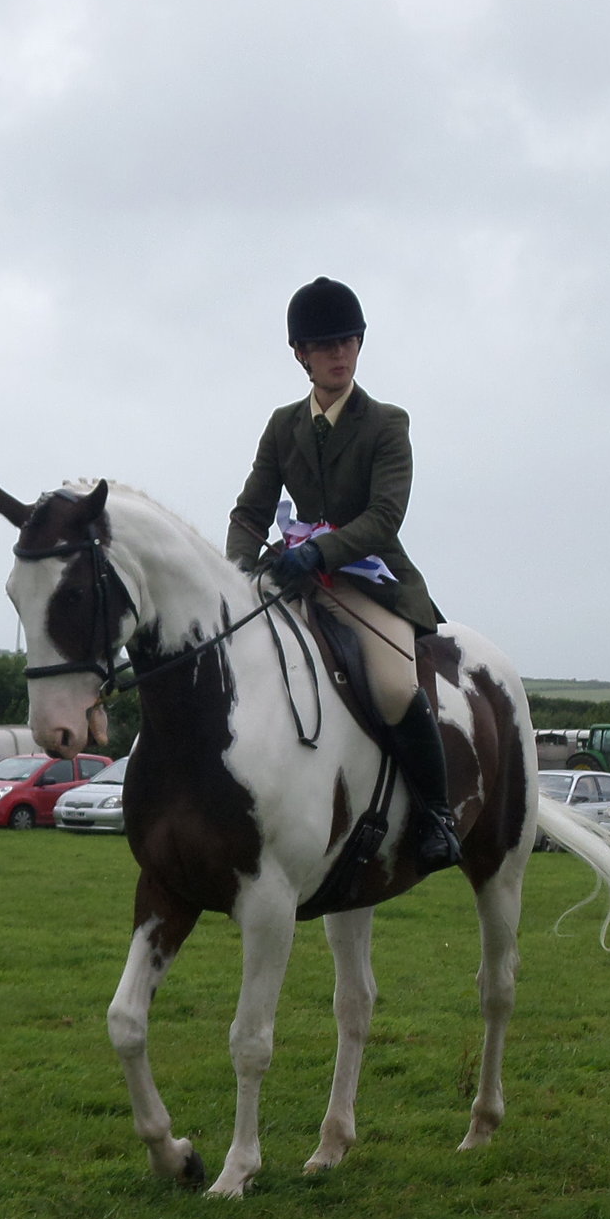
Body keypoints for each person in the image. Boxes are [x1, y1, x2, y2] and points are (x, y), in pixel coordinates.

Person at [226, 277, 460, 873]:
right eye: (325, 344)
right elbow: (251, 513)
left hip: (369, 578)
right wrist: (237, 575)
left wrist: (320, 551)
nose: (339, 354)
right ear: (300, 353)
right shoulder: (283, 426)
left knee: (392, 685)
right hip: (297, 578)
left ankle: (437, 816)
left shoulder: (386, 423)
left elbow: (385, 517)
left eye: (348, 341)